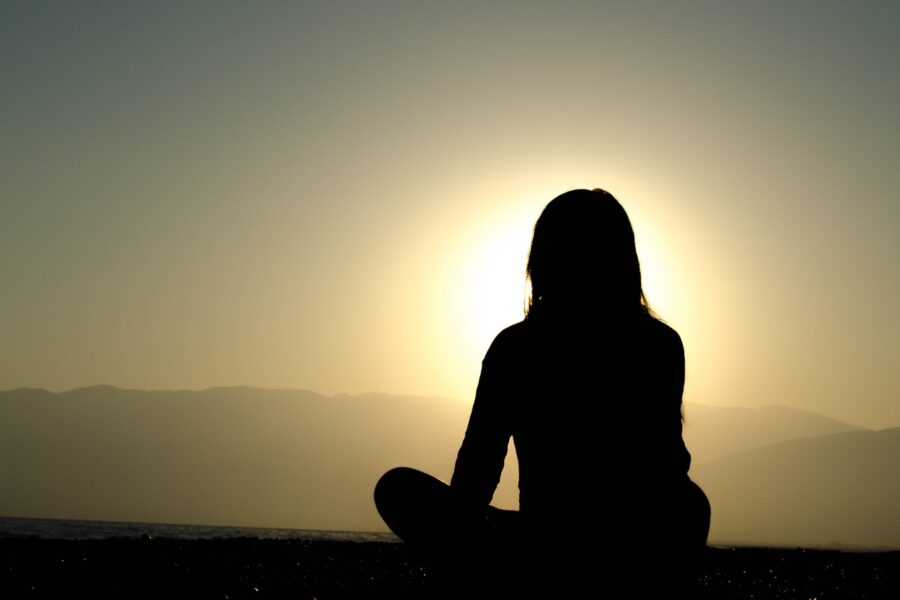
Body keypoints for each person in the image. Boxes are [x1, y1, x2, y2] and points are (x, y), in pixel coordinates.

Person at [375, 188, 711, 595]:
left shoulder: (518, 347)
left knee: (398, 489)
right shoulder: (658, 344)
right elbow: (668, 465)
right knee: (690, 504)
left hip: (562, 543)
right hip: (599, 542)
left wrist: (458, 538)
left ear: (541, 261)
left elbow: (477, 470)